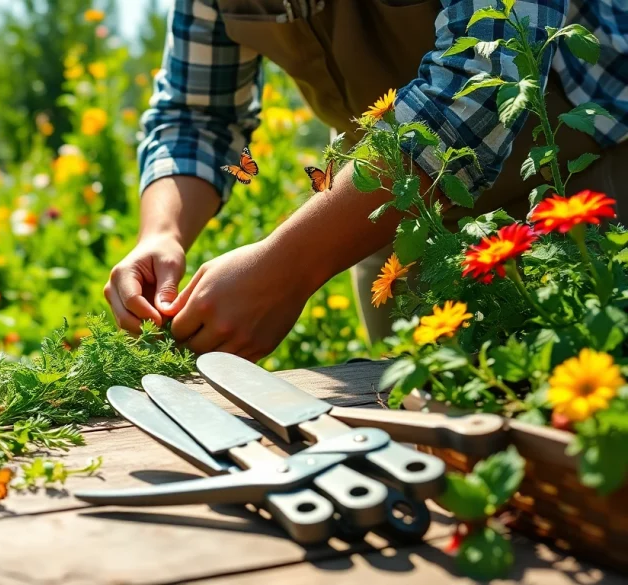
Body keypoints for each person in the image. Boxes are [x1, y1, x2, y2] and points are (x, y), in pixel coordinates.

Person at [104, 0, 628, 362]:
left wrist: (285, 266)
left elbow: (474, 89)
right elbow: (197, 116)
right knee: (424, 434)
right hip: (384, 206)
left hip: (581, 169)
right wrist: (162, 233)